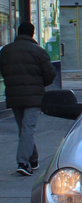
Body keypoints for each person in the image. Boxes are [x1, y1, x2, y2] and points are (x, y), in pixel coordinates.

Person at [0, 22, 57, 176]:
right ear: (32, 33)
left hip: (14, 96)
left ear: (18, 33)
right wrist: (40, 84)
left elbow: (3, 71)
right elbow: (50, 74)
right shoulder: (38, 51)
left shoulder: (6, 51)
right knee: (28, 129)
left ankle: (33, 158)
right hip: (34, 97)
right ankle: (23, 162)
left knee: (24, 129)